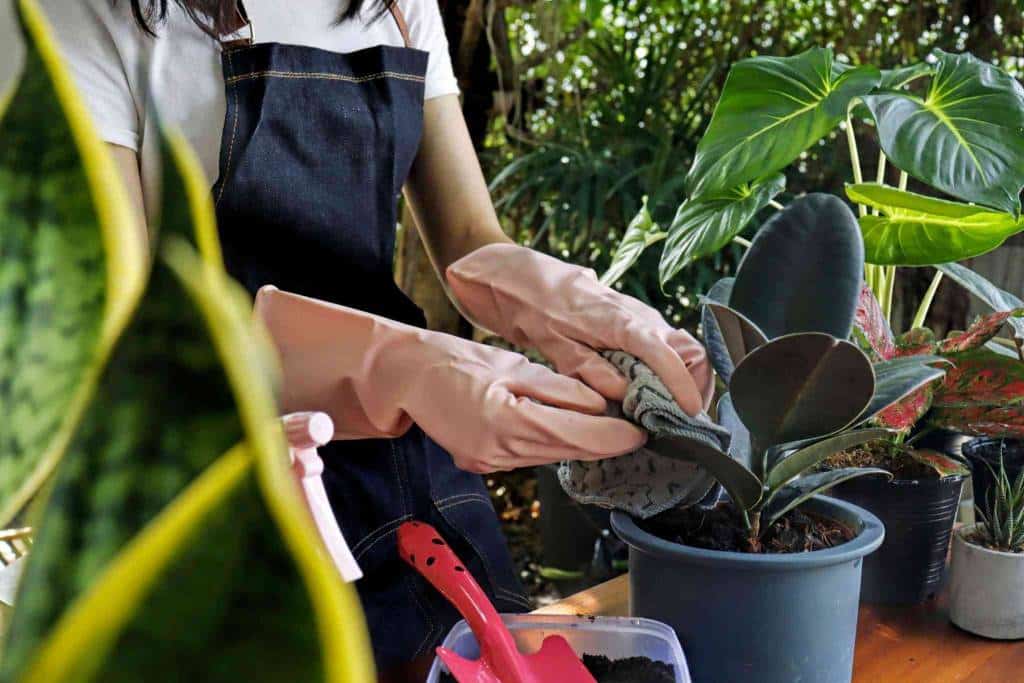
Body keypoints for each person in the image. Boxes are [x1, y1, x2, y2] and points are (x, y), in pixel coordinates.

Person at [40, 0, 712, 677]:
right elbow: (129, 326)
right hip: (219, 484)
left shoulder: (396, 5)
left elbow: (469, 240)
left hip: (407, 470)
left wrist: (579, 308)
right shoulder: (81, 15)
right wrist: (389, 366)